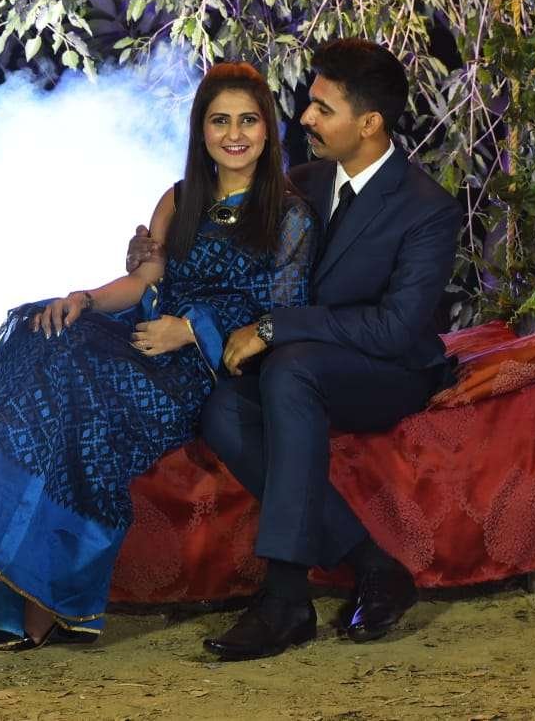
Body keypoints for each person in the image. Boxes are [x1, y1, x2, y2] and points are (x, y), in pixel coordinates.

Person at [0, 62, 317, 651]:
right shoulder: (179, 198)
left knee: (79, 387)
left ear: (268, 129)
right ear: (201, 130)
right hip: (145, 333)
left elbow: (281, 311)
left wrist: (191, 331)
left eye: (248, 120)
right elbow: (142, 281)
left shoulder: (289, 215)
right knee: (44, 333)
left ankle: (33, 597)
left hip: (200, 365)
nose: (234, 134)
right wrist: (83, 298)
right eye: (220, 121)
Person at [129, 38, 461, 661]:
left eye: (322, 108)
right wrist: (152, 258)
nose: (304, 117)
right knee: (224, 409)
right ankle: (373, 564)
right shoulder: (300, 183)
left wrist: (276, 328)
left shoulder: (427, 209)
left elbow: (394, 328)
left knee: (289, 367)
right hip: (304, 361)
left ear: (369, 123)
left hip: (388, 371)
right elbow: (225, 263)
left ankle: (285, 597)